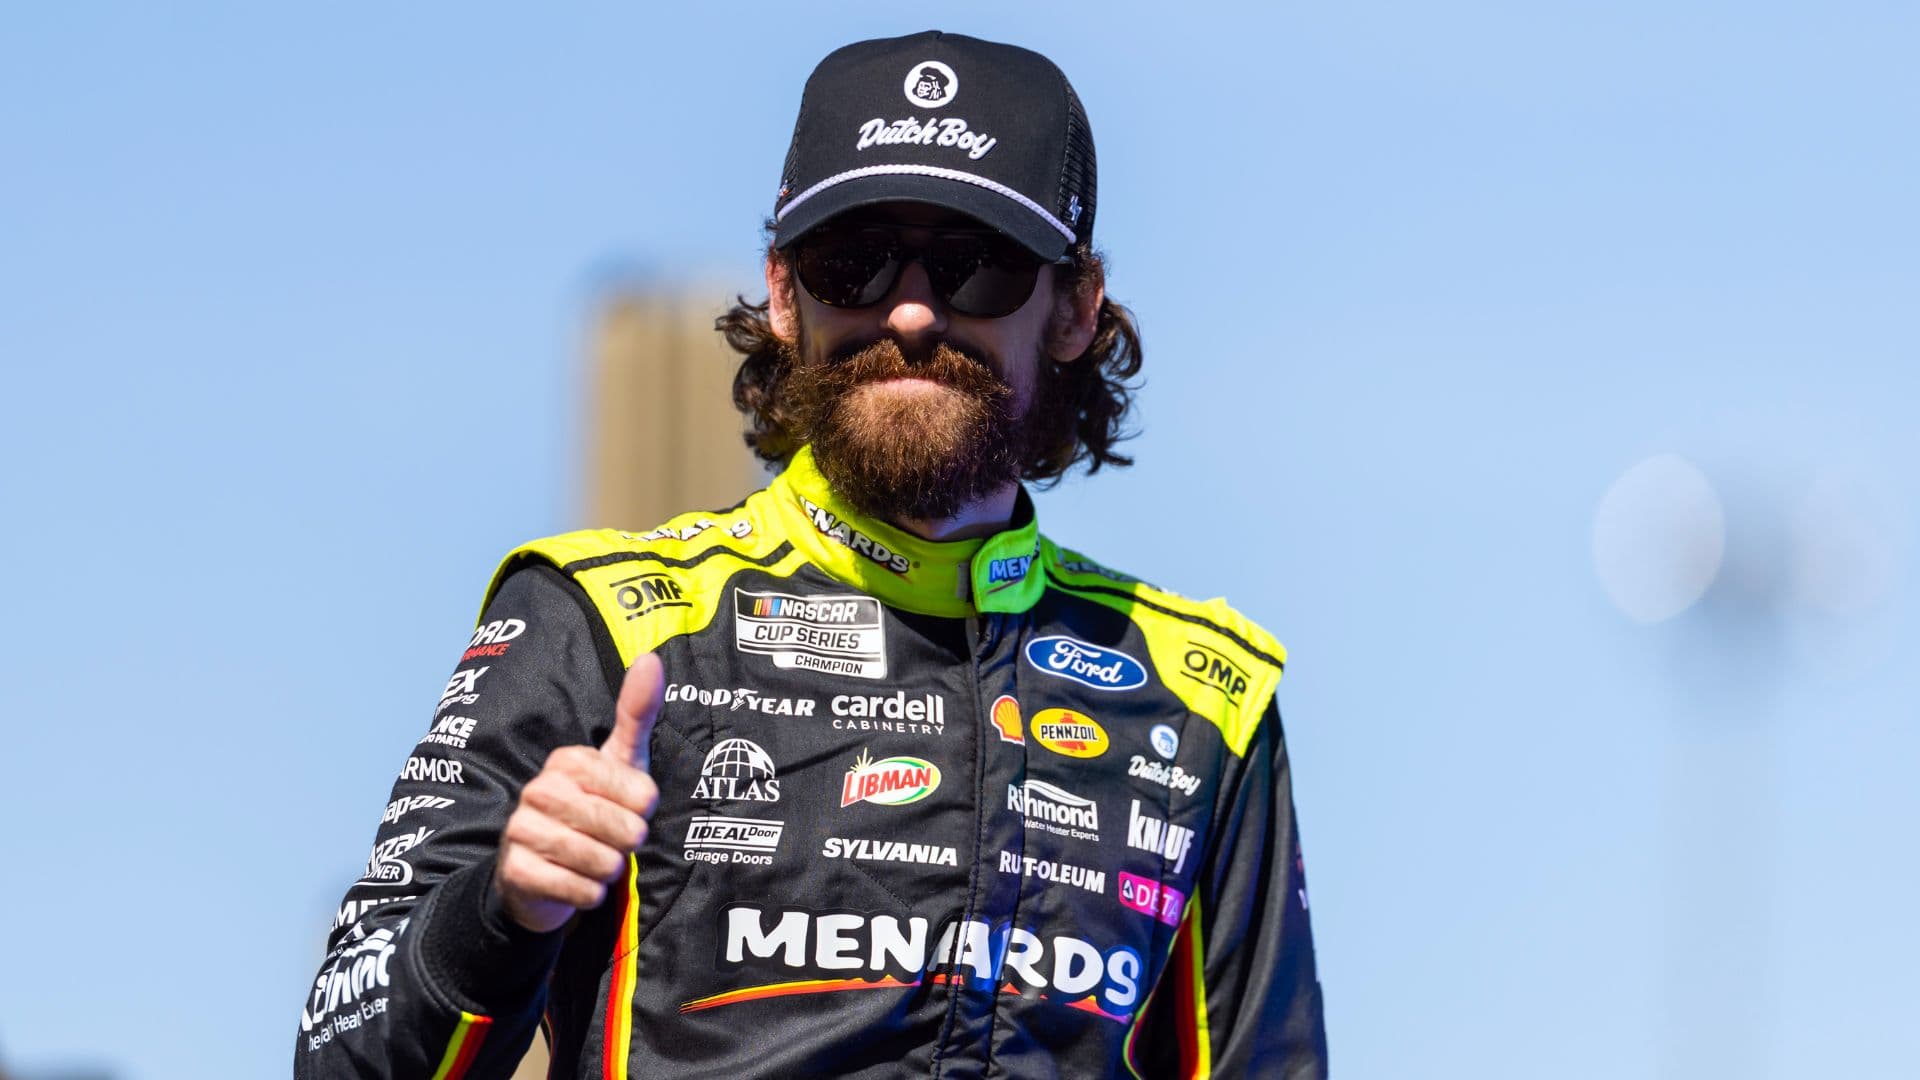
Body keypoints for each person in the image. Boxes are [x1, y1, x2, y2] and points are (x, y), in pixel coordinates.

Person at [296, 30, 1327, 1079]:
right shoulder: (601, 620)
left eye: (978, 266)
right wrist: (501, 909)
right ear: (786, 295)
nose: (911, 311)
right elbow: (341, 1056)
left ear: (1074, 307)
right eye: (854, 262)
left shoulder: (1204, 698)